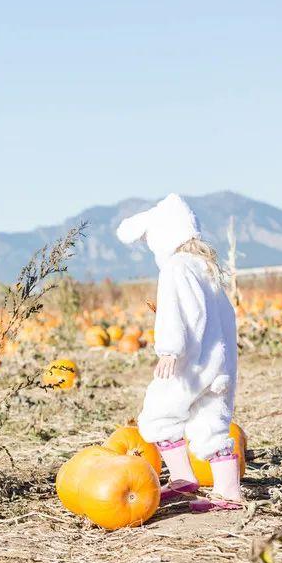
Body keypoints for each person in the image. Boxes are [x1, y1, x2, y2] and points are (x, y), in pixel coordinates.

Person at [116, 193, 242, 512]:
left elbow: (176, 313)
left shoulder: (175, 267)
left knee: (158, 414)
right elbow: (225, 317)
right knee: (211, 425)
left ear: (162, 237)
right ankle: (229, 493)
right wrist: (226, 365)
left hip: (189, 364)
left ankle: (183, 476)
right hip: (220, 365)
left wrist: (169, 350)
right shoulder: (207, 268)